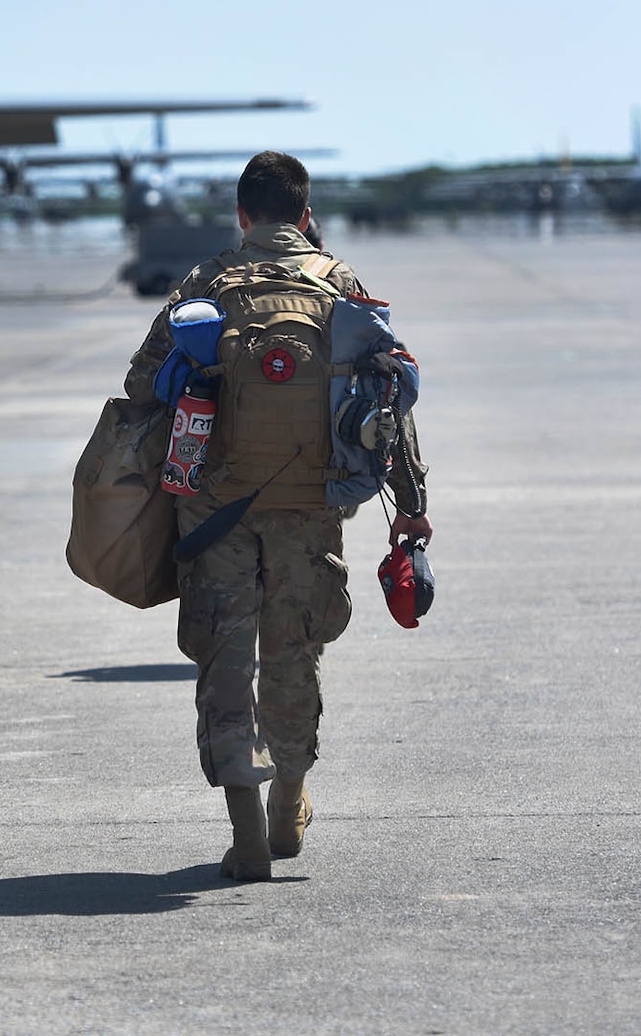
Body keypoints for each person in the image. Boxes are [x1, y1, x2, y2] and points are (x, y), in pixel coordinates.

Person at [122, 151, 430, 882]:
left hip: (215, 506)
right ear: (303, 211)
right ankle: (291, 800)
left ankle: (246, 831)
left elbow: (141, 385)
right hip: (311, 507)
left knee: (226, 659)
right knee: (293, 653)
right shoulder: (341, 284)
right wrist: (411, 506)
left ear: (241, 215)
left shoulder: (207, 283)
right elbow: (391, 402)